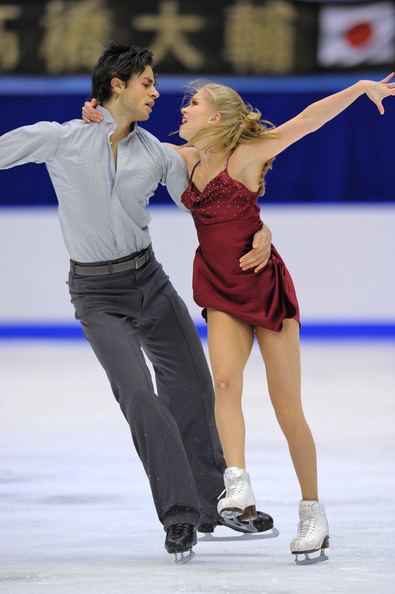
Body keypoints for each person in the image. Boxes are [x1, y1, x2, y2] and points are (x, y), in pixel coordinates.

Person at [86, 72, 395, 562]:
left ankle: (313, 513)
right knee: (224, 384)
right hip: (219, 288)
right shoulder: (181, 160)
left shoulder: (246, 155)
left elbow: (308, 122)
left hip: (264, 287)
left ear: (218, 117)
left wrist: (359, 88)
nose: (182, 111)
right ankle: (238, 485)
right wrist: (99, 116)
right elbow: (126, 141)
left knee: (286, 407)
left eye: (194, 105)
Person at [0, 44, 275, 562]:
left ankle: (216, 503)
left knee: (192, 382)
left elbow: (216, 202)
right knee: (140, 396)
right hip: (96, 294)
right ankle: (179, 515)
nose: (156, 92)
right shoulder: (60, 140)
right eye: (146, 83)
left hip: (149, 282)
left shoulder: (157, 154)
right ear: (117, 85)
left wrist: (260, 227)